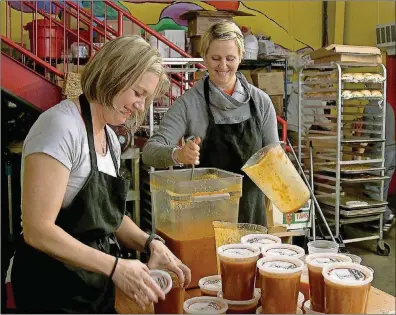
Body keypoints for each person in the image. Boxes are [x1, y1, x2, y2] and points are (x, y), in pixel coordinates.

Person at [10, 35, 191, 313]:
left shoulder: (108, 136)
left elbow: (109, 217)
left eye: (147, 97)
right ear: (113, 74)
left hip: (92, 287)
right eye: (138, 93)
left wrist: (150, 243)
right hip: (51, 289)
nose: (141, 106)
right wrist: (117, 267)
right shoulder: (61, 127)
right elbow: (38, 230)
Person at [142, 21, 279, 226]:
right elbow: (149, 152)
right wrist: (178, 154)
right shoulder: (190, 104)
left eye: (230, 58)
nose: (222, 66)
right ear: (204, 57)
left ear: (241, 57)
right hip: (205, 222)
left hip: (252, 223)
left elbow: (274, 160)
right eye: (215, 58)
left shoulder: (260, 103)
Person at [363, 101, 395, 227]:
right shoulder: (388, 105)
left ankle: (386, 214)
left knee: (370, 185)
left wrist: (358, 156)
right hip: (392, 152)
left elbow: (367, 136)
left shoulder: (369, 107)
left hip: (379, 153)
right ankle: (380, 220)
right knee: (382, 188)